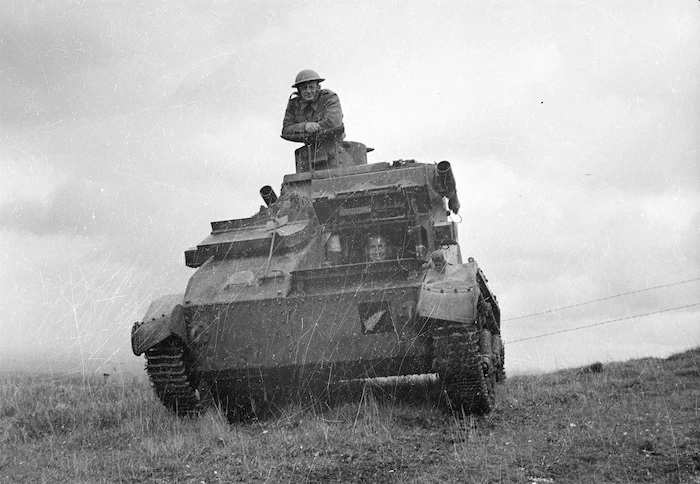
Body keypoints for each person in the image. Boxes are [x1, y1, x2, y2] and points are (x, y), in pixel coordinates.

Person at [282, 70, 344, 141]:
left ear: (318, 88)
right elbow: (286, 130)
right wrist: (305, 126)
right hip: (310, 146)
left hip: (335, 143)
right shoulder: (294, 104)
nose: (308, 91)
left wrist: (315, 127)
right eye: (304, 88)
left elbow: (334, 123)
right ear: (299, 90)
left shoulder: (329, 98)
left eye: (311, 87)